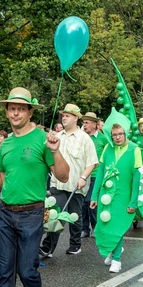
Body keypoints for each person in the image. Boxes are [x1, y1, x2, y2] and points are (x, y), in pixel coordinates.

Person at [0, 87, 69, 287]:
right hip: (6, 213)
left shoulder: (44, 139)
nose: (16, 112)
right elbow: (0, 180)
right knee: (5, 269)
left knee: (27, 269)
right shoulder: (6, 144)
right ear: (7, 112)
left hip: (32, 213)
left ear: (30, 111)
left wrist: (55, 150)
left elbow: (63, 176)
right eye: (11, 108)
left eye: (21, 108)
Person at [40, 104, 98, 258]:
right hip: (57, 184)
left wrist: (83, 177)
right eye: (63, 115)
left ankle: (75, 244)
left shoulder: (85, 138)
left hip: (75, 185)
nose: (64, 118)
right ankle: (48, 248)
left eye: (67, 115)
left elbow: (92, 162)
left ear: (76, 118)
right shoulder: (57, 136)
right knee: (56, 215)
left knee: (74, 216)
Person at [89, 117, 141, 273]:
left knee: (117, 227)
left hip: (123, 196)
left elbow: (136, 179)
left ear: (126, 133)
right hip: (106, 195)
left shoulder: (135, 149)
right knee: (105, 225)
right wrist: (94, 195)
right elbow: (100, 174)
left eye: (120, 134)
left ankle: (117, 259)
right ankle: (112, 251)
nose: (117, 137)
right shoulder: (107, 148)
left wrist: (133, 202)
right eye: (114, 135)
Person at [80, 112, 108, 238]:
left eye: (86, 123)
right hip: (83, 175)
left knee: (91, 201)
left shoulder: (103, 139)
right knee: (83, 203)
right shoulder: (82, 138)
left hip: (96, 175)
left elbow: (108, 156)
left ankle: (96, 227)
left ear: (94, 124)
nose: (84, 125)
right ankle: (84, 228)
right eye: (83, 122)